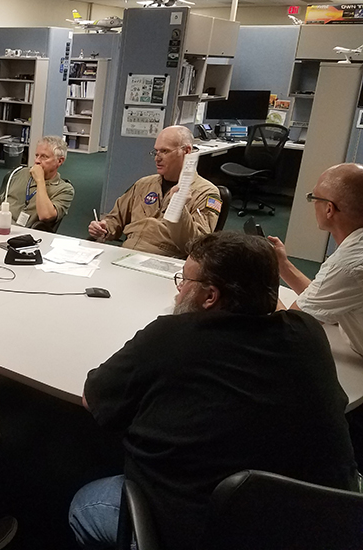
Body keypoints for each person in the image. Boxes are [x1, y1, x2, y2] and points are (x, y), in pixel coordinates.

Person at [69, 231, 357, 550]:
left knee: (86, 504)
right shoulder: (308, 335)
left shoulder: (169, 336)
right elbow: (275, 307)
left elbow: (92, 398)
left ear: (210, 297)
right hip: (323, 527)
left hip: (205, 533)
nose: (179, 290)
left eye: (185, 280)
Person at [268, 163, 363, 358]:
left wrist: (261, 289)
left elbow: (290, 329)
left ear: (329, 209)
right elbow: (323, 298)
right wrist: (283, 266)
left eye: (313, 197)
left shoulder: (349, 263)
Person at [88, 125, 221, 258]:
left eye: (165, 151)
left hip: (165, 260)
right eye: (156, 152)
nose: (157, 158)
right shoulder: (144, 184)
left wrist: (179, 210)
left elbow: (198, 246)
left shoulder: (206, 193)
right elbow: (116, 218)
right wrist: (105, 227)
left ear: (186, 151)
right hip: (127, 254)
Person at [0, 136, 74, 230]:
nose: (37, 161)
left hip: (17, 234)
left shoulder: (64, 189)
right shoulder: (20, 173)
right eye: (36, 155)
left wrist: (40, 180)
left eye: (44, 157)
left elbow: (46, 215)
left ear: (59, 161)